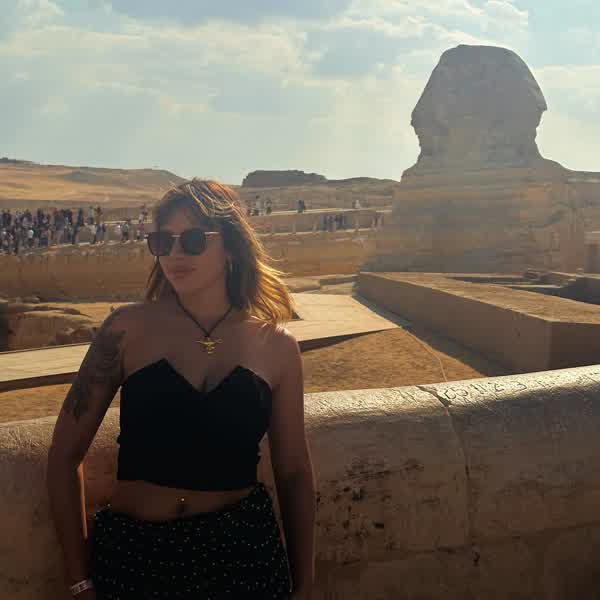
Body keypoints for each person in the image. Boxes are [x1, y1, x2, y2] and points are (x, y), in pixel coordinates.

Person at [46, 179, 316, 600]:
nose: (174, 254)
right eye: (162, 241)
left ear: (231, 248)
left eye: (192, 240)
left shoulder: (277, 346)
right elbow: (64, 455)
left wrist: (304, 582)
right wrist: (80, 581)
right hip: (135, 561)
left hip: (243, 561)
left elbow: (294, 471)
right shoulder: (124, 330)